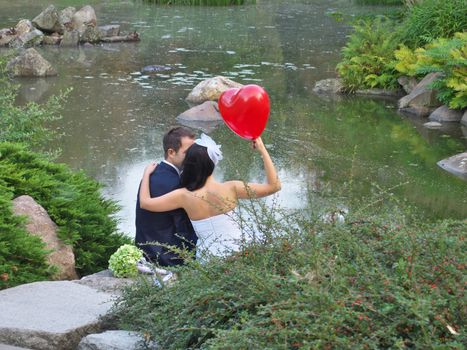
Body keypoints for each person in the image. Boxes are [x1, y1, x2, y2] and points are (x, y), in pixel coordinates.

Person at [139, 133, 281, 257]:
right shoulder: (231, 188)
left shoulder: (183, 196)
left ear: (188, 164)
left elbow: (145, 203)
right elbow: (274, 186)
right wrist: (262, 150)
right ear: (212, 164)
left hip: (208, 260)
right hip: (239, 253)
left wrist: (146, 174)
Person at [135, 126, 197, 266]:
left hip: (145, 250)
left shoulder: (151, 174)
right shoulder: (177, 184)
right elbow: (183, 228)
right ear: (171, 152)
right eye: (188, 152)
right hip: (167, 257)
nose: (193, 156)